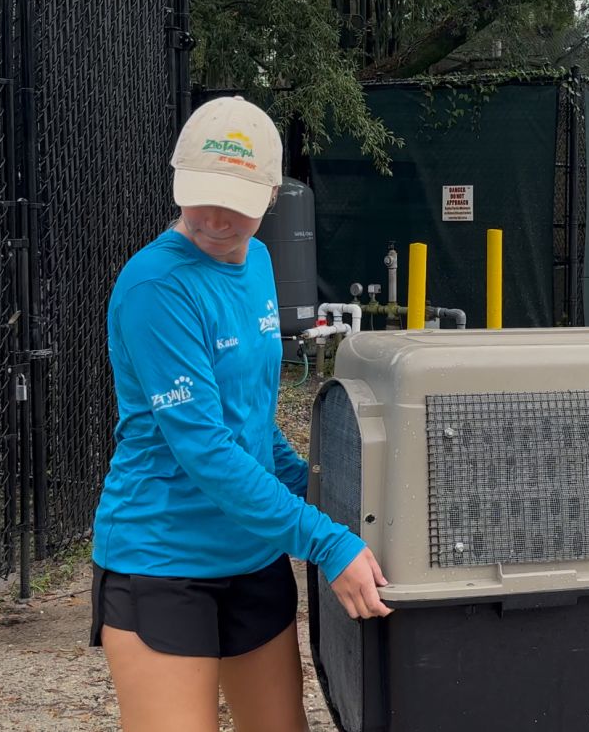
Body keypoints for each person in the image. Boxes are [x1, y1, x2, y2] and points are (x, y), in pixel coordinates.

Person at [89, 96, 391, 732]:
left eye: (238, 203)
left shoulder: (257, 262)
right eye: (200, 195)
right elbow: (207, 449)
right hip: (162, 559)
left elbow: (251, 422)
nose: (216, 219)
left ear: (270, 197)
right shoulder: (156, 287)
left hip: (253, 555)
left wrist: (324, 496)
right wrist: (325, 540)